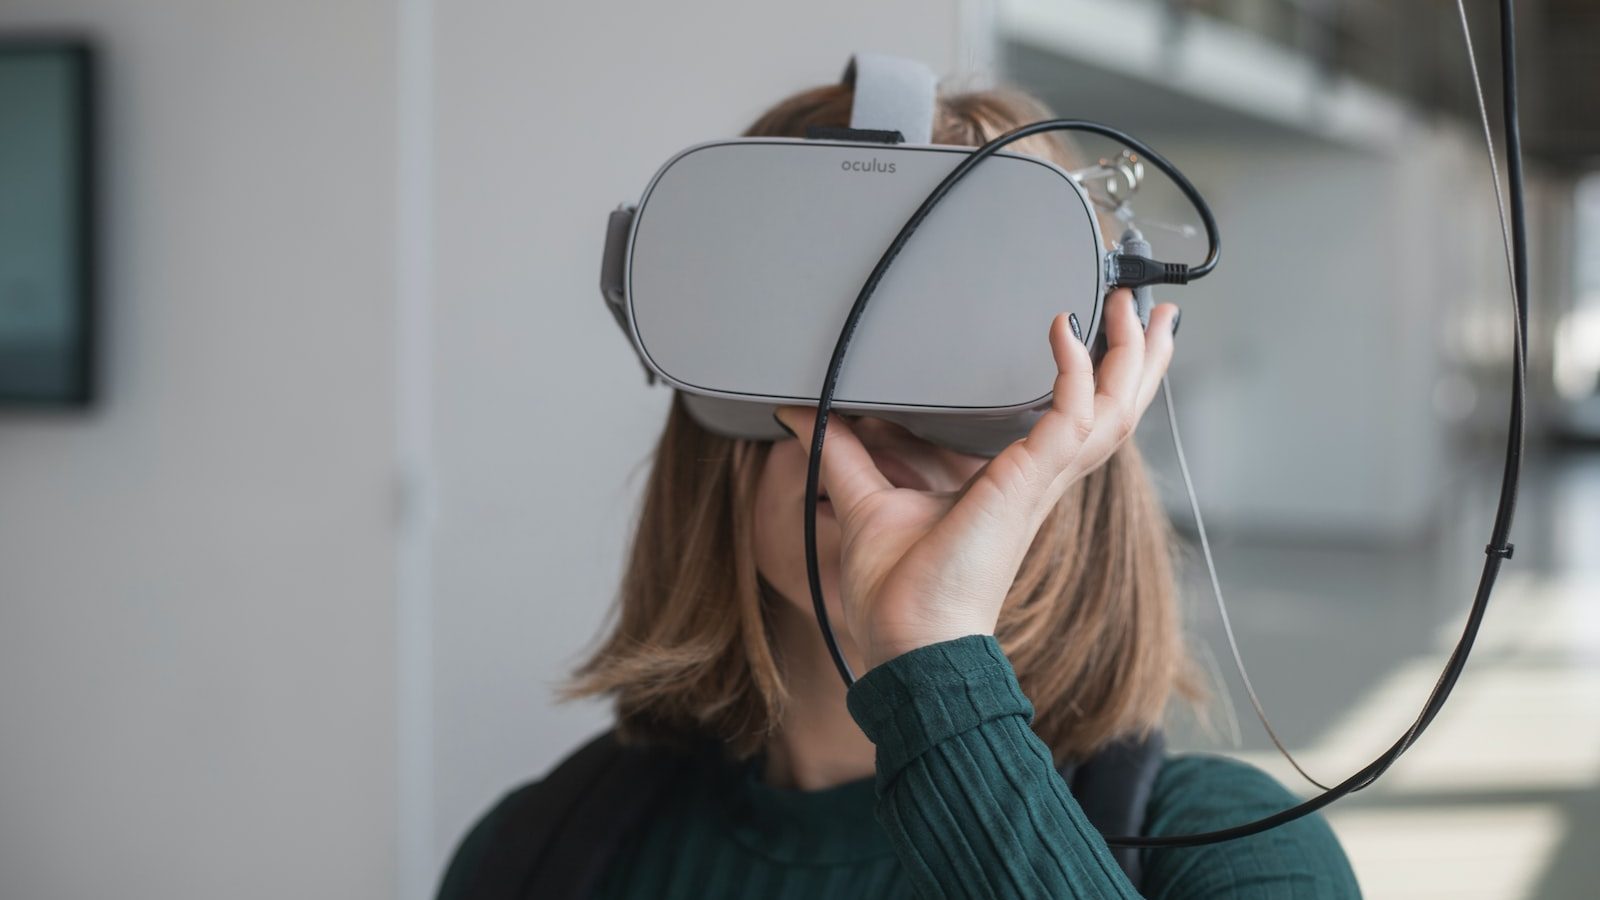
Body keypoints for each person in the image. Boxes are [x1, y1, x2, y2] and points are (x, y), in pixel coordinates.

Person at [437, 77, 1361, 899]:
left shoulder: (1237, 856)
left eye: (958, 351)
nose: (873, 421)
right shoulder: (536, 854)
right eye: (817, 327)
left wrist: (933, 661)